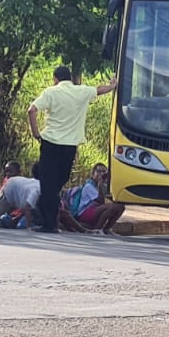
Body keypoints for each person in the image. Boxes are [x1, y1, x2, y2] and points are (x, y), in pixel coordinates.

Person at [27, 66, 117, 233]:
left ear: (55, 79)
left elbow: (31, 110)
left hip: (50, 143)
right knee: (58, 183)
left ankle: (48, 224)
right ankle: (49, 221)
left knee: (48, 185)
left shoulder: (51, 92)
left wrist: (36, 133)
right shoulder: (81, 91)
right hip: (69, 147)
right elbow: (99, 90)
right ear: (70, 78)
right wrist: (112, 86)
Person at [67, 163, 126, 235]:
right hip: (84, 212)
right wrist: (100, 186)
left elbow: (113, 199)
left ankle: (107, 229)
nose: (100, 174)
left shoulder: (102, 185)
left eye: (103, 172)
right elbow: (101, 201)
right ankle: (98, 229)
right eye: (98, 171)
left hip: (94, 210)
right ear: (92, 174)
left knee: (120, 207)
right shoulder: (89, 186)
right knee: (111, 207)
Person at [0, 161, 42, 230]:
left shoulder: (36, 188)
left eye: (10, 171)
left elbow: (27, 208)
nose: (8, 174)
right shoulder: (32, 186)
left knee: (19, 225)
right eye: (6, 171)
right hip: (14, 208)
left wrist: (27, 225)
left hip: (26, 213)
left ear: (19, 172)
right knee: (0, 216)